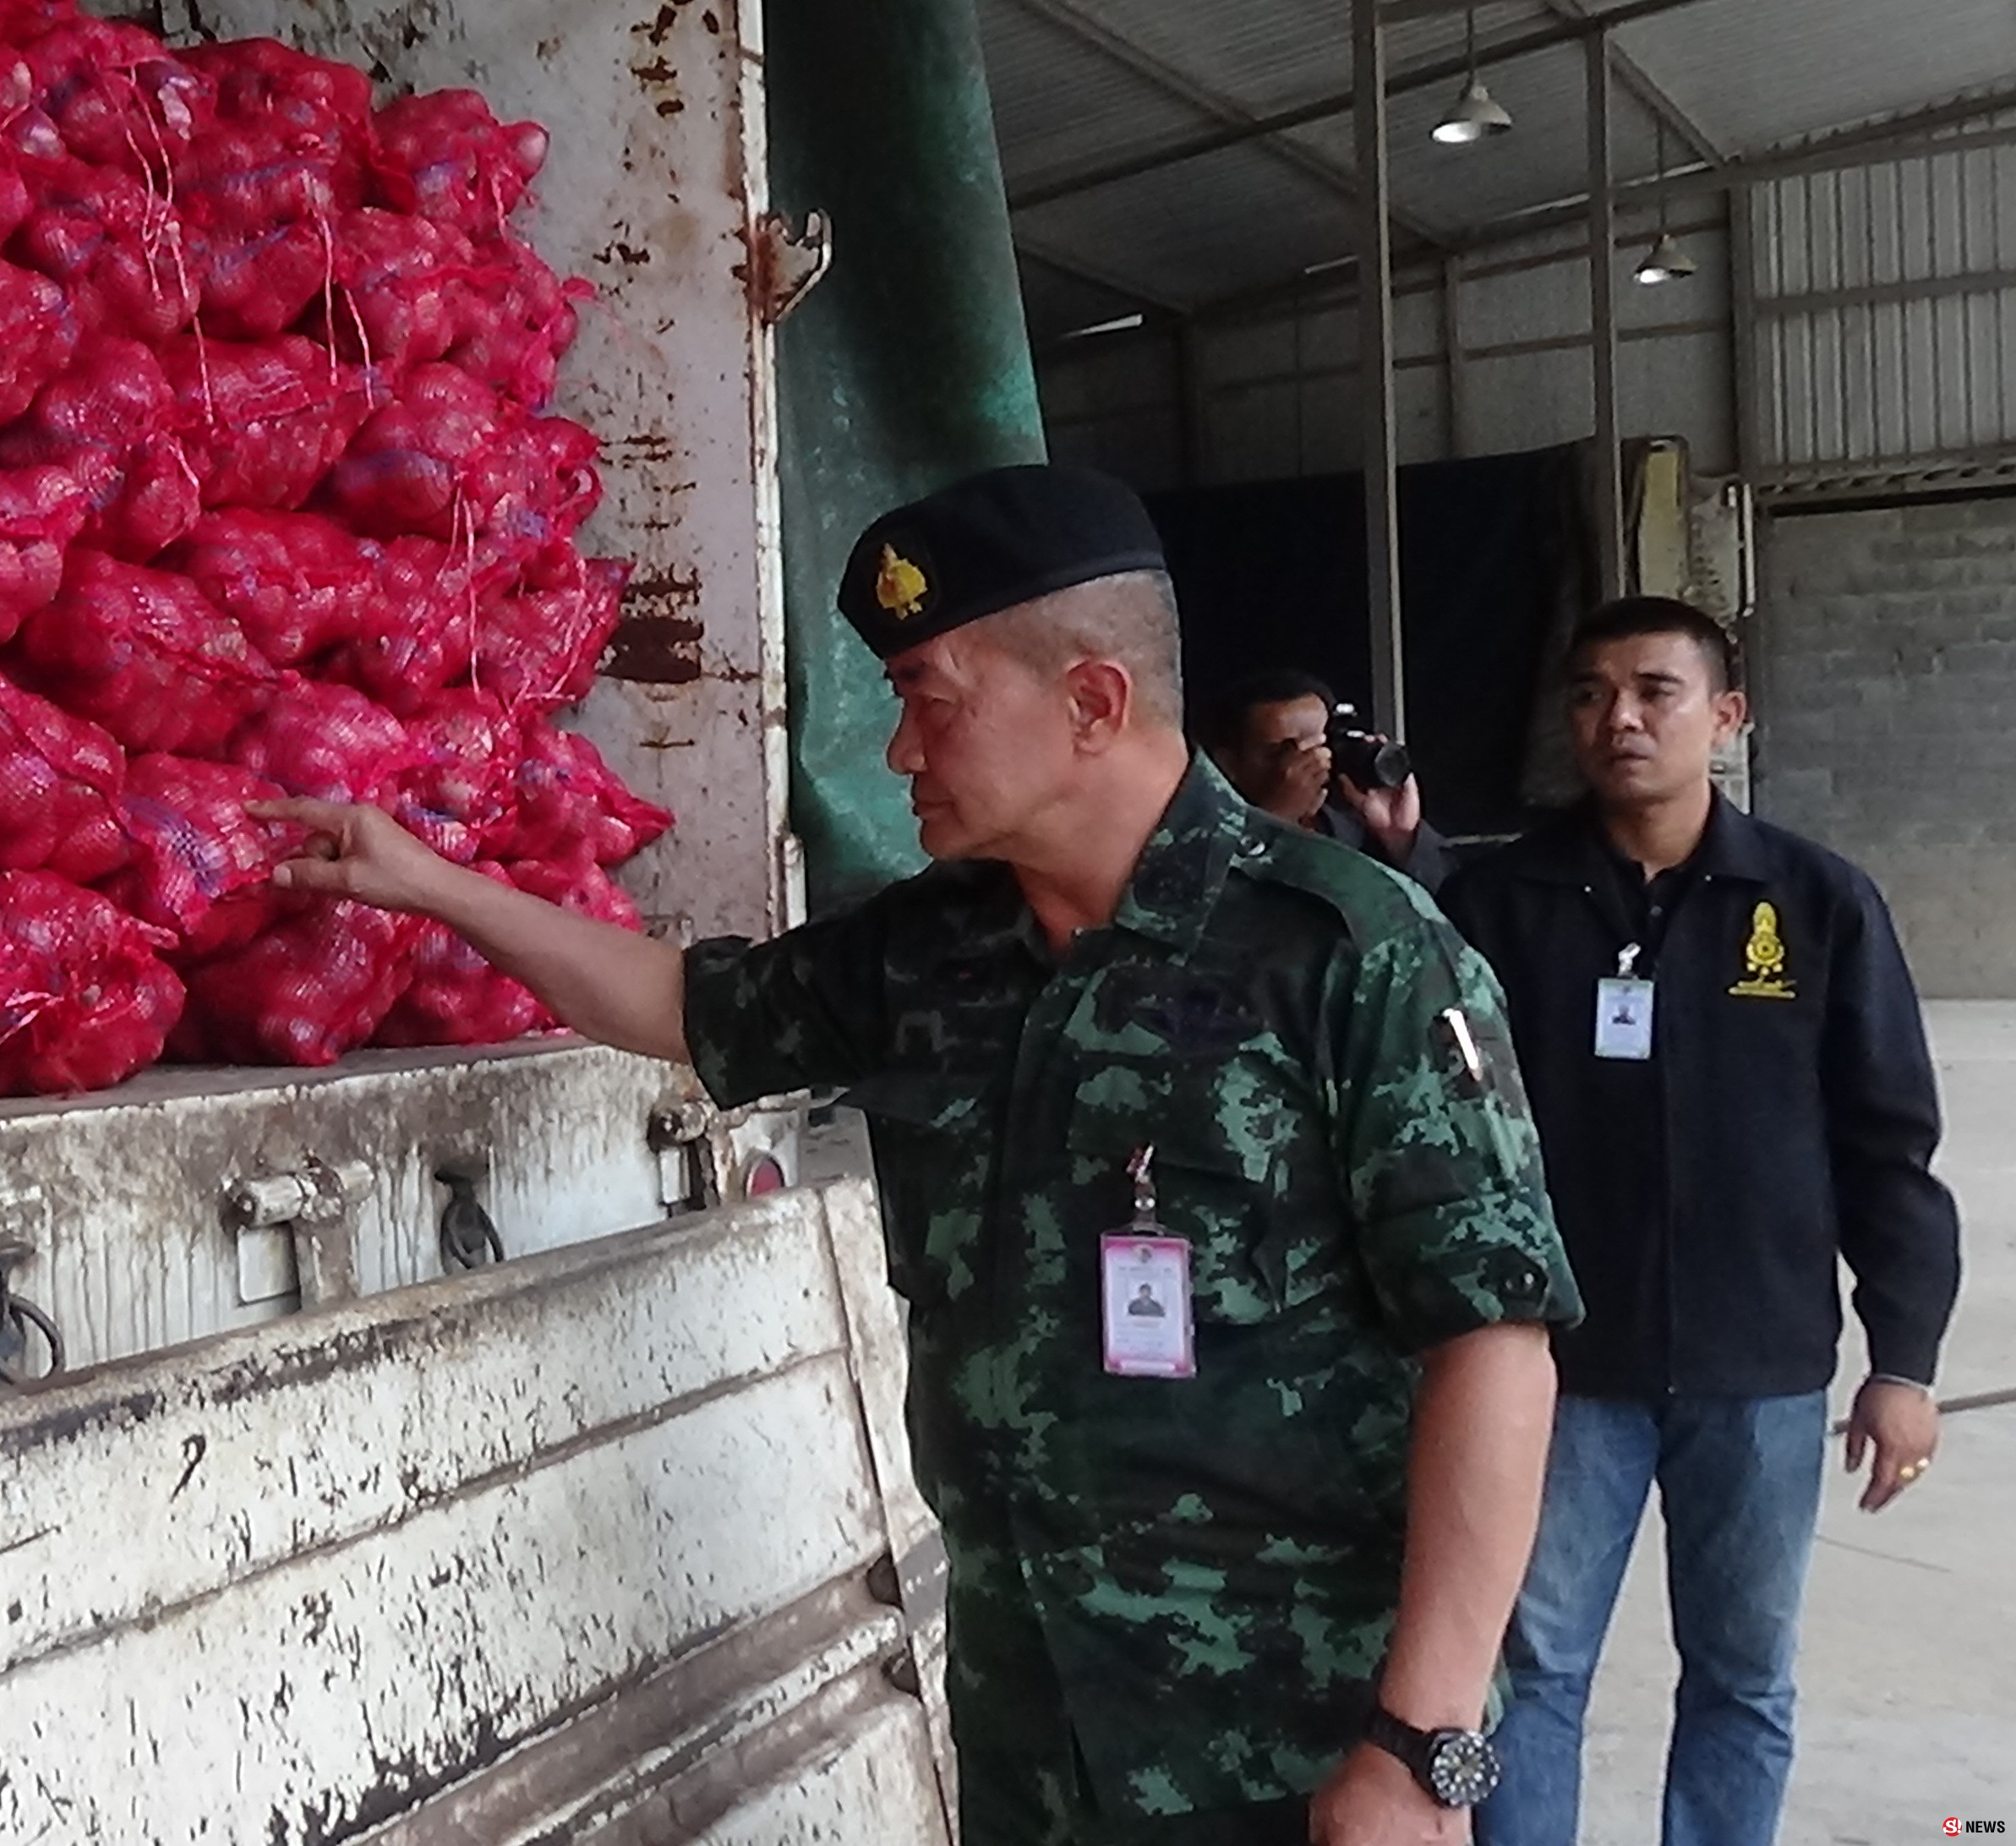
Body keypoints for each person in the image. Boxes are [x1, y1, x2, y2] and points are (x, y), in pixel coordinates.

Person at [260, 464, 1579, 1846]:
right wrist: (431, 883)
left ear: (1091, 703)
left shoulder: (1350, 955)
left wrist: (1418, 1743)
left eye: (927, 700)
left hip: (1285, 1745)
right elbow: (681, 1006)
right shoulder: (932, 947)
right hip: (1030, 1721)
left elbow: (1493, 1342)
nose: (897, 753)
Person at [1441, 597, 1962, 1846]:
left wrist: (1906, 1362)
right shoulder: (1502, 906)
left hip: (1761, 1370)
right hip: (1559, 1369)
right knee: (1533, 1672)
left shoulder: (1817, 904)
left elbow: (1889, 1145)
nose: (1618, 718)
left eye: (1654, 690)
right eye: (1589, 693)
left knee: (1741, 1676)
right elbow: (1441, 1139)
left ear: (1725, 715)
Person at [1204, 668, 1454, 892]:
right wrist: (1275, 821)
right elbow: (1209, 911)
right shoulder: (1202, 835)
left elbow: (1456, 909)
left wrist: (1401, 837)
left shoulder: (1355, 832)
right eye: (1280, 752)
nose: (1313, 760)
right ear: (1228, 763)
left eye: (1321, 743)